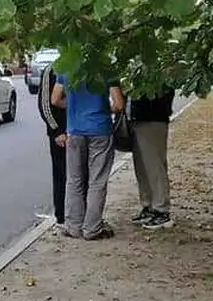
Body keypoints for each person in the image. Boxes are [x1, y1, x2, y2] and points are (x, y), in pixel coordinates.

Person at [52, 73, 125, 240]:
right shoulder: (106, 67)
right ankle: (92, 228)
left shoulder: (66, 68)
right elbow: (119, 104)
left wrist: (73, 108)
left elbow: (55, 99)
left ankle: (73, 227)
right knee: (97, 181)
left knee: (74, 180)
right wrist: (104, 109)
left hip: (75, 130)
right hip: (100, 129)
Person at [130, 87, 175, 230]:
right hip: (138, 119)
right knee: (142, 167)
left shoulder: (160, 73)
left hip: (153, 119)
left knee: (154, 166)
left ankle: (161, 210)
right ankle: (148, 205)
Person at [37, 63, 68, 229]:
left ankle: (80, 214)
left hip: (79, 130)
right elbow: (45, 104)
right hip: (60, 133)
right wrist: (56, 131)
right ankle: (62, 216)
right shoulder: (53, 69)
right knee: (62, 174)